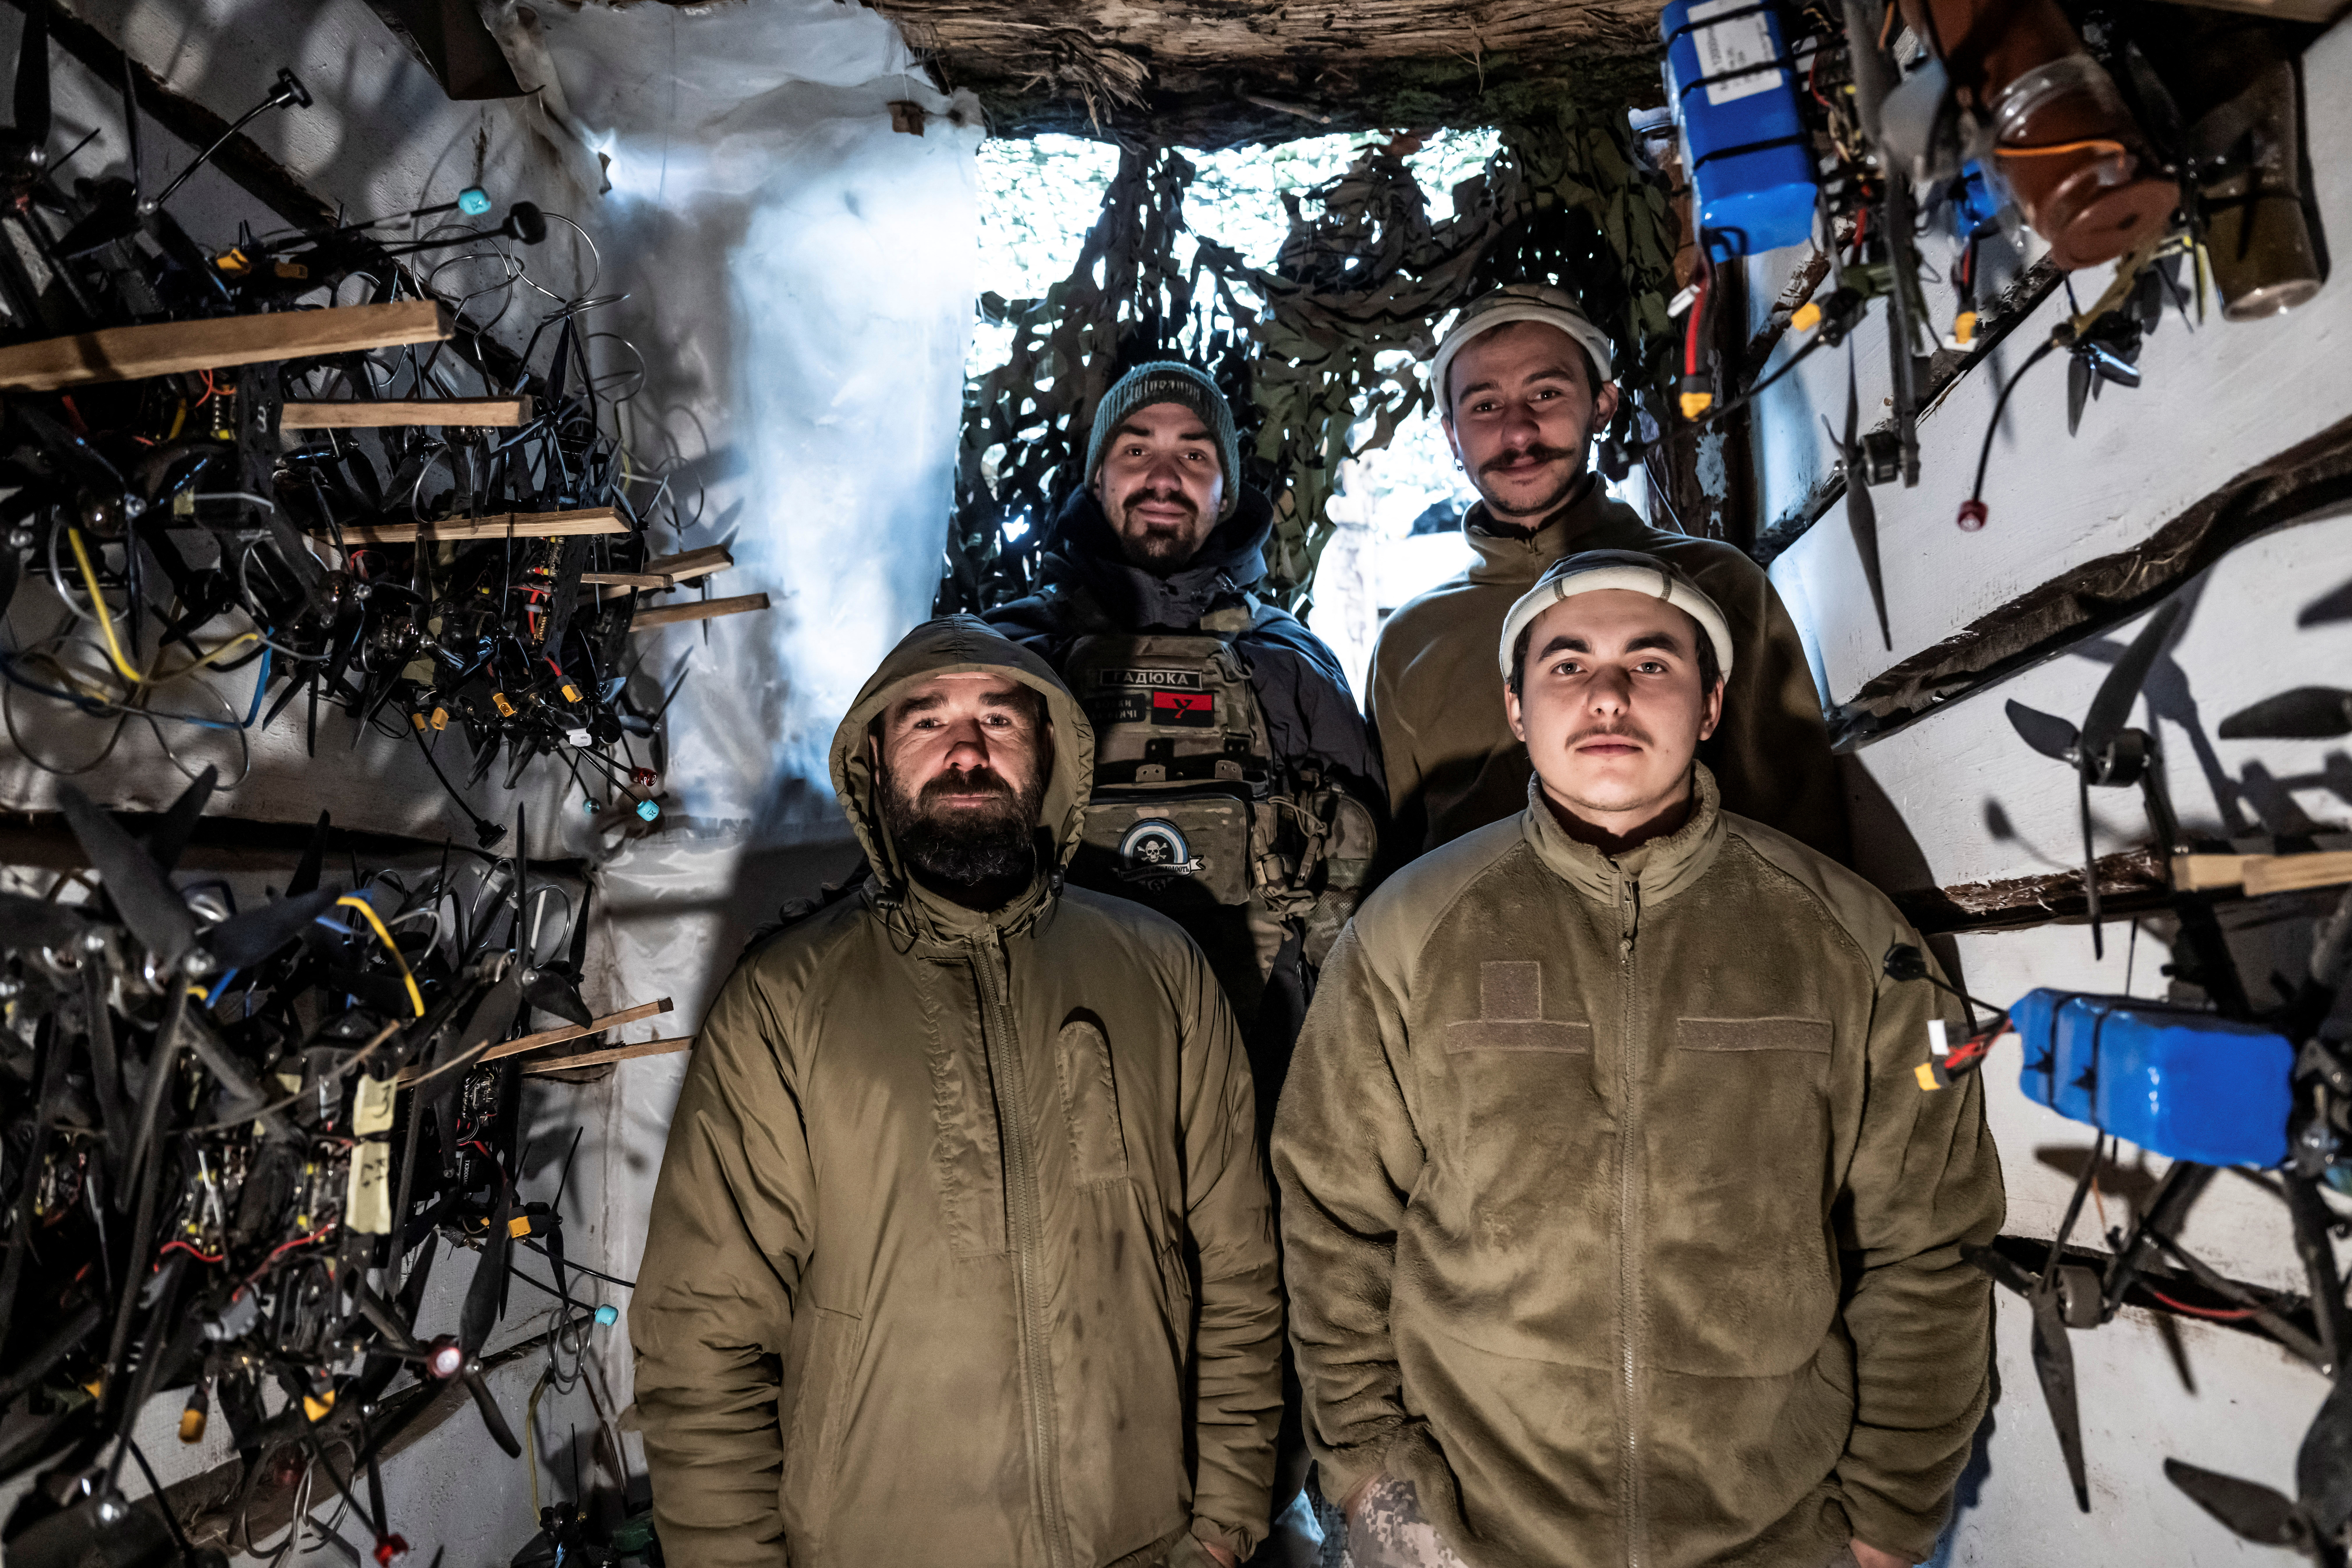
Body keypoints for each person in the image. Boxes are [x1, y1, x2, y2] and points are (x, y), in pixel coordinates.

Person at [1273, 551, 2002, 1568]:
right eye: (1565, 665)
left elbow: (1927, 1244)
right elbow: (1330, 1222)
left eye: (1649, 663)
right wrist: (1378, 1495)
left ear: (1709, 705)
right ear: (1515, 709)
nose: (1607, 693)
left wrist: (1883, 1521)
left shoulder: (1851, 940)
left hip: (1777, 1537)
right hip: (1472, 1537)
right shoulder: (1406, 931)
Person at [631, 615, 1283, 1568]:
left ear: (1049, 750)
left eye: (999, 720)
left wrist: (1223, 1525)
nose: (967, 749)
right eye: (926, 721)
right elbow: (701, 1334)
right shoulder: (785, 999)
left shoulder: (1159, 968)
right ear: (875, 762)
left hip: (1139, 1538)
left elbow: (1237, 1269)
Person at [987, 360, 1382, 1564]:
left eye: (1191, 451)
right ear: (1096, 474)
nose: (1164, 472)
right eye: (1136, 448)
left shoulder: (1290, 664)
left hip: (1260, 1064)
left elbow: (1361, 899)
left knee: (1250, 1324)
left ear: (1227, 484)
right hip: (1057, 1063)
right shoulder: (1008, 653)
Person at [1368, 282, 1850, 863]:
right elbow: (1397, 873)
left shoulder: (1715, 585)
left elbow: (1801, 841)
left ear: (1602, 404)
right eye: (1485, 405)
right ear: (1451, 434)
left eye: (1545, 393)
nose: (1518, 432)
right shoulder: (1411, 642)